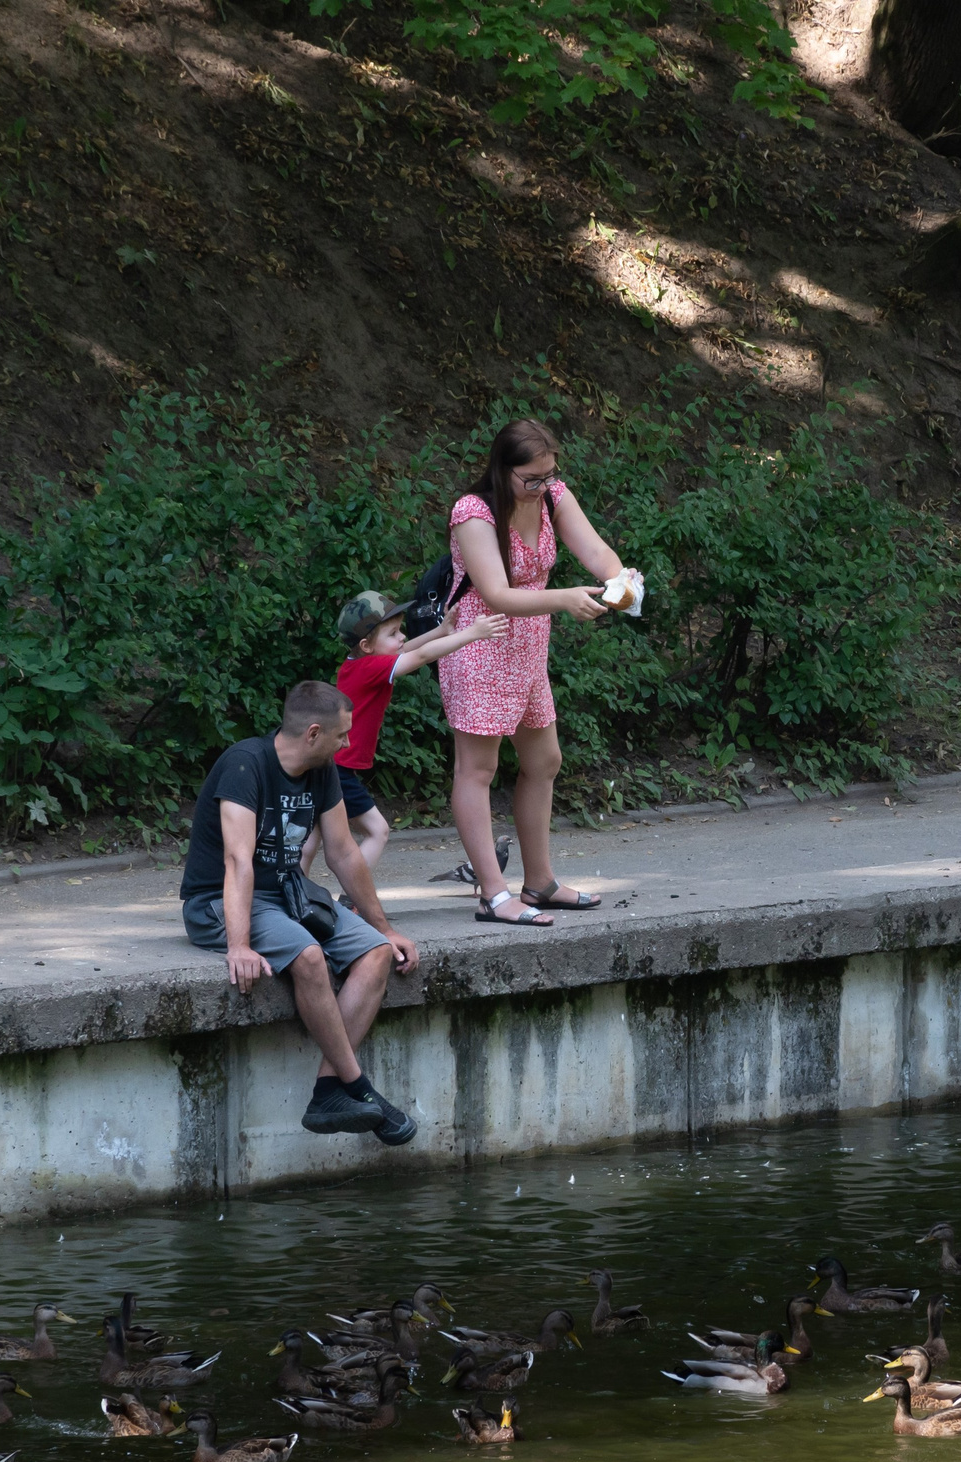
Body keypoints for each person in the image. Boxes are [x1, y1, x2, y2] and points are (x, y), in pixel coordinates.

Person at [181, 680, 419, 1140]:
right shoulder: (244, 765)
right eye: (341, 735)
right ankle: (359, 1087)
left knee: (376, 954)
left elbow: (345, 853)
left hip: (288, 896)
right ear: (313, 733)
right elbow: (237, 860)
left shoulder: (322, 769)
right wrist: (239, 945)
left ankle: (329, 1087)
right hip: (220, 900)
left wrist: (384, 928)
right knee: (308, 956)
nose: (348, 743)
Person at [439, 418, 635, 926]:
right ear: (503, 471)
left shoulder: (551, 495)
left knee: (545, 760)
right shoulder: (473, 512)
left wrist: (617, 580)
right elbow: (499, 594)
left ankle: (540, 883)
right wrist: (567, 599)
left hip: (528, 652)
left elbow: (594, 551)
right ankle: (493, 894)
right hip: (481, 646)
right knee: (477, 771)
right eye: (533, 478)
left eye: (550, 474)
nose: (544, 485)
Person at [306, 590, 507, 886]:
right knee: (378, 831)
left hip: (329, 763)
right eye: (392, 633)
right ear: (366, 645)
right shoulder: (371, 667)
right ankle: (353, 896)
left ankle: (289, 892)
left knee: (313, 834)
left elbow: (406, 651)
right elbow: (421, 656)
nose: (401, 637)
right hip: (339, 769)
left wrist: (440, 631)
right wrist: (473, 634)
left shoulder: (359, 663)